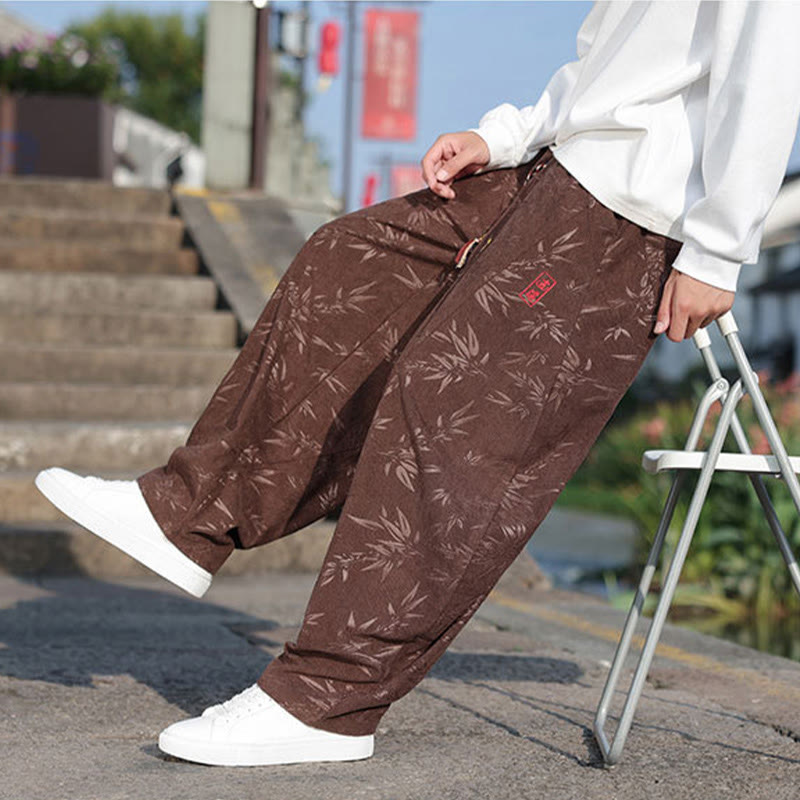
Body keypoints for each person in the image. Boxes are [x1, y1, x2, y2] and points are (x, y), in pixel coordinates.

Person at [34, 0, 800, 768]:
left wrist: (718, 249)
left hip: (629, 214)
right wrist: (502, 135)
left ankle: (327, 701)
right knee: (350, 263)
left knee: (451, 416)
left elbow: (769, 67)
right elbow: (612, 67)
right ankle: (190, 511)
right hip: (556, 170)